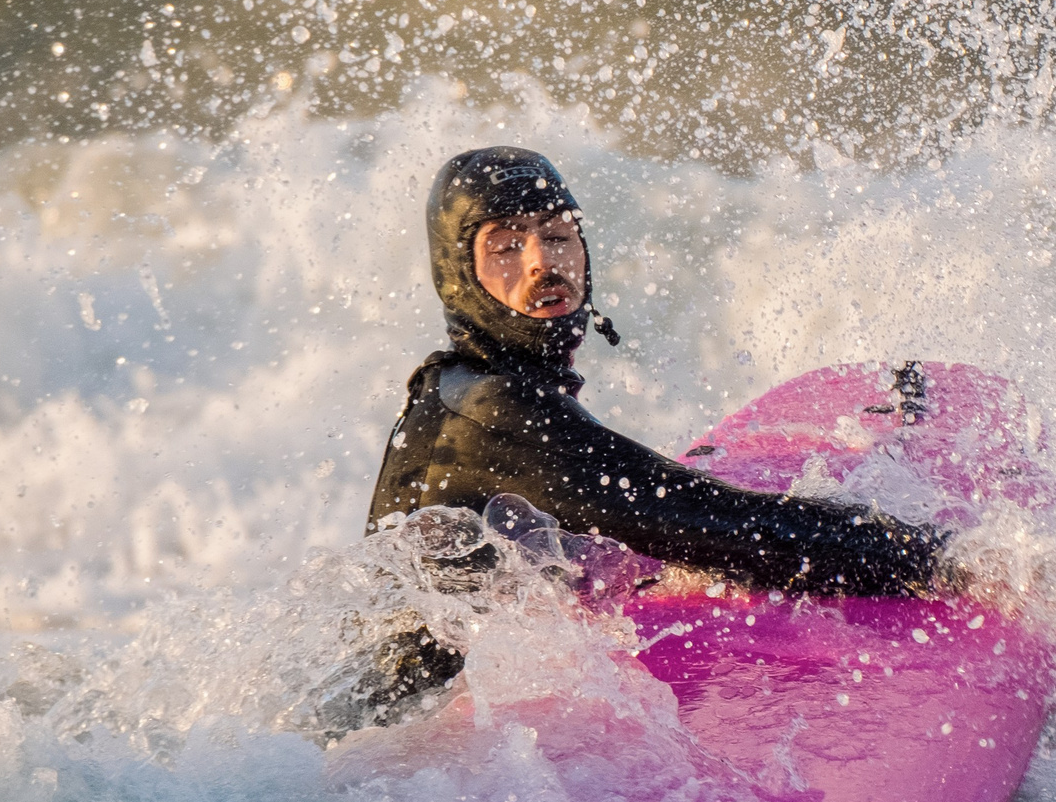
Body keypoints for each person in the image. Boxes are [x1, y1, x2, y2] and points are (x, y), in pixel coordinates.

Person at [367, 145, 952, 594]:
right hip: (416, 737)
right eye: (506, 246)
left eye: (557, 234)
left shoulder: (467, 388)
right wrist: (939, 559)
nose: (543, 261)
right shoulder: (493, 412)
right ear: (457, 275)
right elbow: (717, 526)